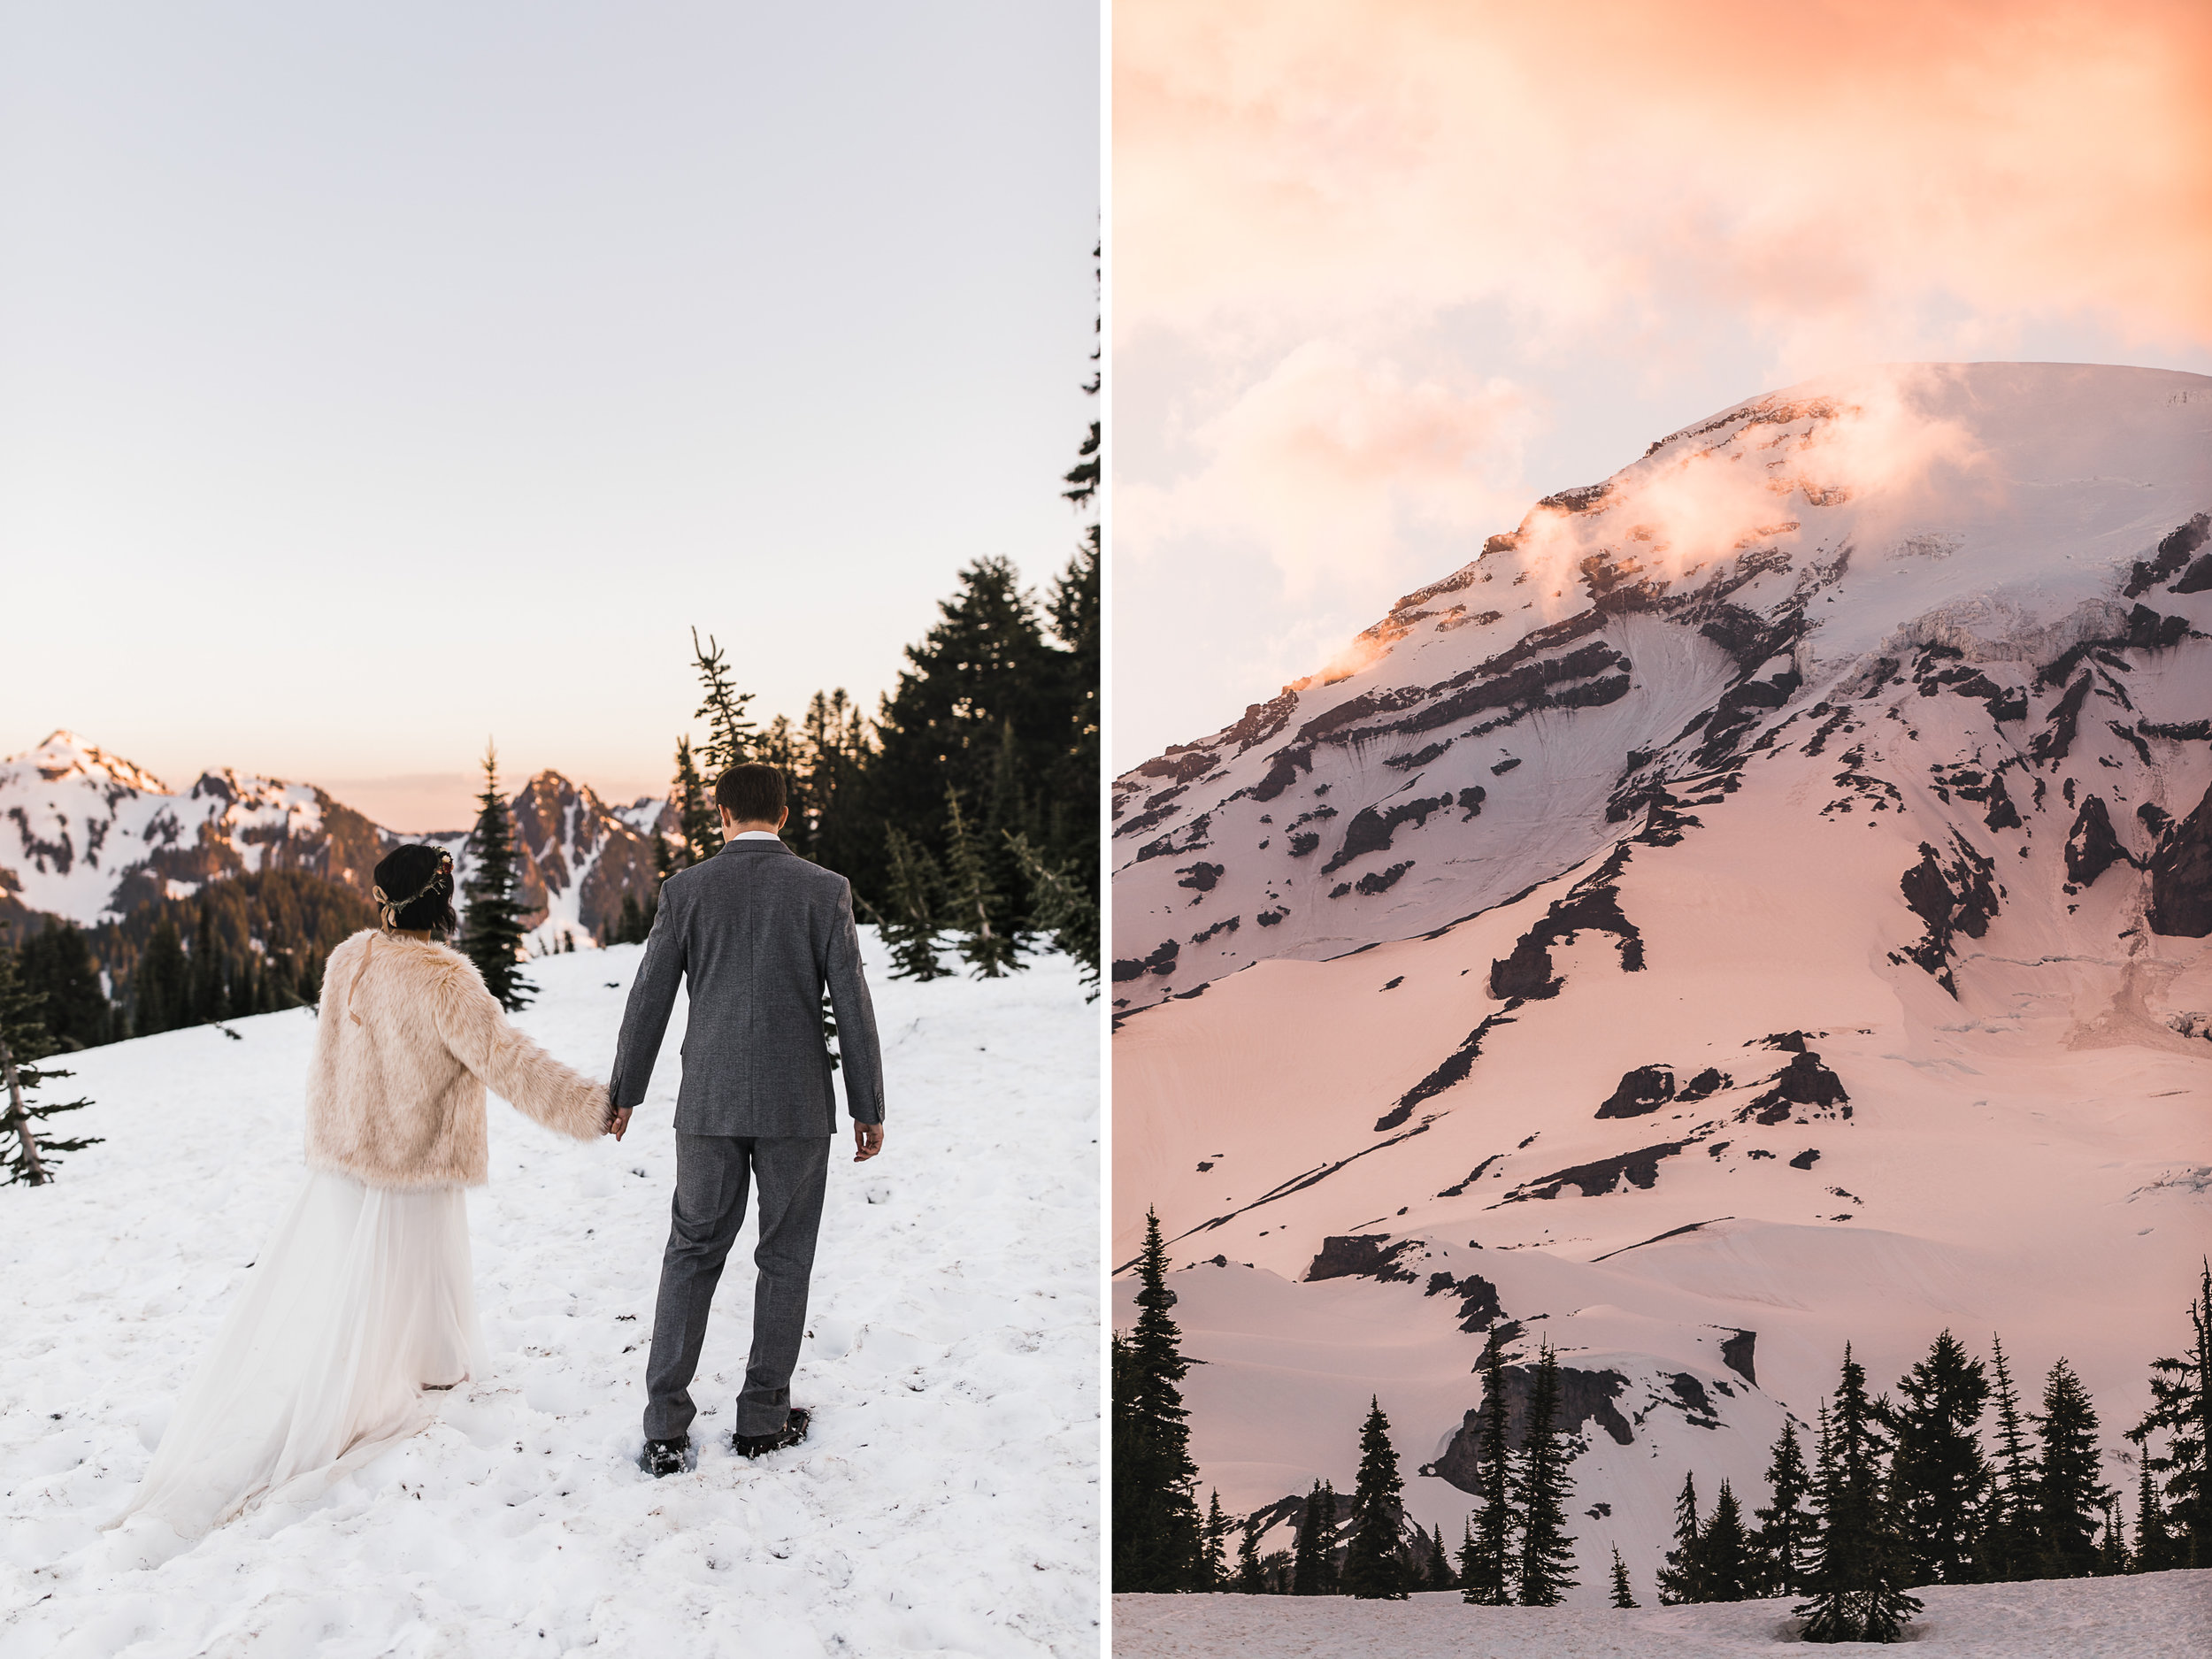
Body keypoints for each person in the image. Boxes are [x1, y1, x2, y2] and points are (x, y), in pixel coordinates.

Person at [103, 844, 611, 1563]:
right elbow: (509, 1063)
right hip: (415, 1157)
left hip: (349, 1156)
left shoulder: (350, 960)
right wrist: (591, 1108)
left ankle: (400, 1367)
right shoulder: (445, 981)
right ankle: (420, 1371)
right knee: (425, 1270)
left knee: (368, 1282)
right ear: (437, 904)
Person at [610, 761, 885, 1476]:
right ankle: (763, 1416)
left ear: (722, 814)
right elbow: (852, 1002)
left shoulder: (686, 890)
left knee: (690, 1252)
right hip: (797, 1105)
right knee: (785, 1254)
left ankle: (666, 1427)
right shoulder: (825, 891)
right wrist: (868, 1104)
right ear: (785, 816)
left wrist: (624, 1089)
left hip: (707, 1103)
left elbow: (649, 997)